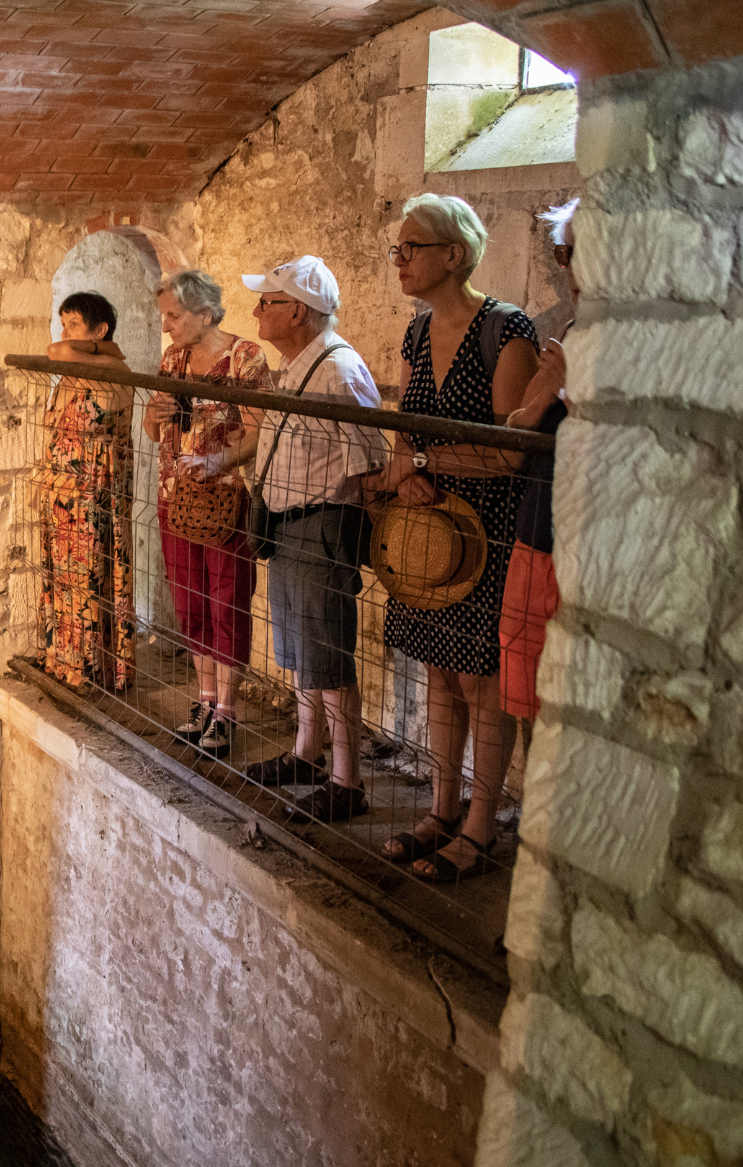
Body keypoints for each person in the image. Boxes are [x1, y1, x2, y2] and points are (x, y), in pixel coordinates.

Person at [363, 194, 539, 882]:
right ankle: (440, 808)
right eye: (397, 250)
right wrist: (408, 468)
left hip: (486, 528)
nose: (399, 261)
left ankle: (480, 823)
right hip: (425, 527)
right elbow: (408, 424)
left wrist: (426, 463)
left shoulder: (507, 331)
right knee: (439, 671)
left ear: (454, 255)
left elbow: (508, 450)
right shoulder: (415, 334)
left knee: (480, 678)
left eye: (411, 248)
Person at [237, 257, 389, 823]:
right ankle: (308, 750)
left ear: (296, 310)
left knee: (327, 653)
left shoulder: (338, 371)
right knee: (302, 651)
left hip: (323, 524)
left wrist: (345, 523)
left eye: (267, 302)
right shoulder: (299, 365)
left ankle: (347, 781)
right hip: (291, 523)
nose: (256, 311)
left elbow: (370, 460)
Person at [141, 271, 271, 756]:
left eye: (174, 316)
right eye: (165, 317)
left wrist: (218, 461)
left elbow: (262, 431)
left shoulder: (245, 358)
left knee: (227, 601)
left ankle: (228, 710)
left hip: (225, 502)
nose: (167, 326)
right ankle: (205, 698)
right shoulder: (173, 359)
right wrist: (152, 421)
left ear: (205, 314)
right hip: (175, 496)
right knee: (189, 599)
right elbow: (156, 432)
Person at [499, 199, 578, 721]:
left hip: (582, 546)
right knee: (528, 691)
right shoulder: (571, 335)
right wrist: (543, 397)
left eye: (575, 252)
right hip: (536, 530)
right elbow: (519, 429)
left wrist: (550, 398)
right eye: (562, 252)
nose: (567, 267)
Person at [36, 291, 135, 692]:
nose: (64, 333)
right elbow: (59, 350)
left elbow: (57, 350)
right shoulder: (80, 372)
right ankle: (64, 660)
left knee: (92, 580)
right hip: (63, 500)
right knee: (64, 582)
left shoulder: (115, 373)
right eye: (63, 322)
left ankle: (94, 669)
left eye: (73, 323)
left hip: (95, 502)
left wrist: (99, 349)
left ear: (100, 330)